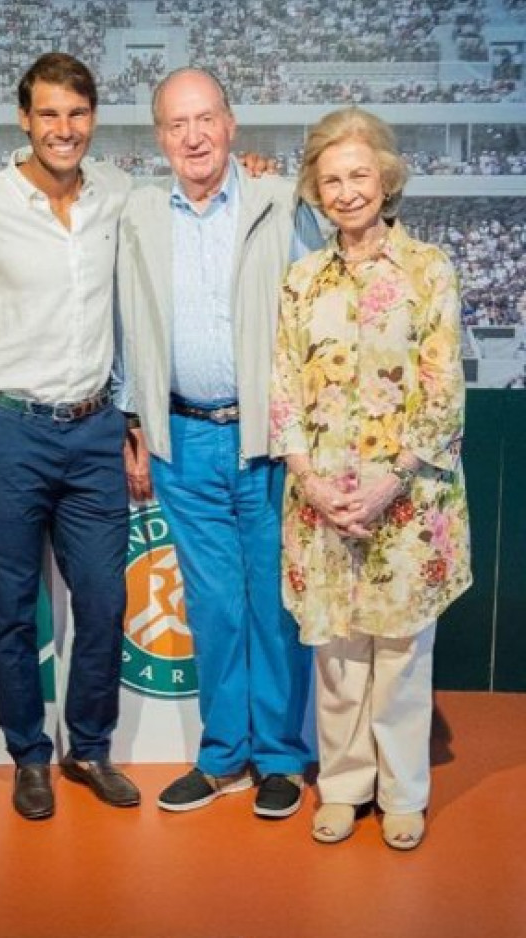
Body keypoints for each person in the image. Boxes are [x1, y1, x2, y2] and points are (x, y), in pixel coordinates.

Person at [116, 67, 322, 818]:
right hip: (184, 443)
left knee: (272, 605)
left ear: (232, 126)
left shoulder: (281, 201)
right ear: (160, 137)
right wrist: (131, 421)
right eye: (178, 124)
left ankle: (278, 757)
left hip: (269, 442)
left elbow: (318, 314)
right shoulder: (137, 212)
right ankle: (222, 757)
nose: (194, 136)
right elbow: (120, 323)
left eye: (206, 119)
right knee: (213, 607)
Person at [270, 107, 472, 850]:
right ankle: (345, 786)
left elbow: (443, 389)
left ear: (385, 178)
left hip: (408, 501)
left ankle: (403, 792)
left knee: (400, 657)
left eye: (359, 174)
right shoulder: (299, 281)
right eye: (332, 179)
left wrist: (390, 481)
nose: (348, 190)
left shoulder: (429, 270)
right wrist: (309, 479)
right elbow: (282, 384)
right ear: (316, 191)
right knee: (337, 656)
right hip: (321, 500)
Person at [0, 52, 140, 819]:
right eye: (50, 114)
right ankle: (28, 754)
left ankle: (87, 749)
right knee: (10, 608)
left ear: (93, 119)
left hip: (95, 431)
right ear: (24, 120)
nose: (64, 129)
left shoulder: (123, 196)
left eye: (78, 113)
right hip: (9, 431)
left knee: (102, 602)